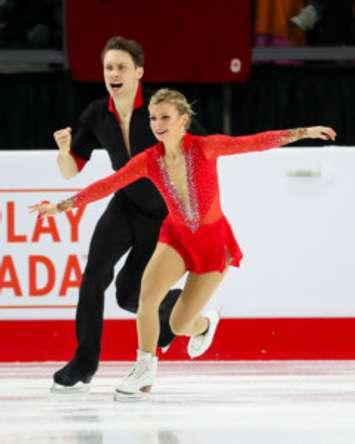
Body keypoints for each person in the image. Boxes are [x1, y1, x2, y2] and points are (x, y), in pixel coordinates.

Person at [30, 88, 336, 399]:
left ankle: (203, 324)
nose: (157, 124)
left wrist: (305, 132)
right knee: (147, 297)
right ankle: (144, 368)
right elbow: (108, 185)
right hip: (175, 239)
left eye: (165, 117)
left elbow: (255, 142)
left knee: (178, 324)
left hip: (212, 245)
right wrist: (61, 206)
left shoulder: (205, 148)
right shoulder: (148, 161)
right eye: (152, 117)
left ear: (183, 120)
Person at [51, 36, 206, 392]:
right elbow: (69, 171)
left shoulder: (158, 108)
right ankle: (83, 363)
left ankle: (184, 320)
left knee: (129, 296)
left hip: (163, 215)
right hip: (124, 207)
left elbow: (199, 152)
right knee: (93, 278)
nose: (114, 73)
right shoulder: (95, 114)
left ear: (138, 72)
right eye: (109, 67)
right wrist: (63, 151)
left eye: (122, 66)